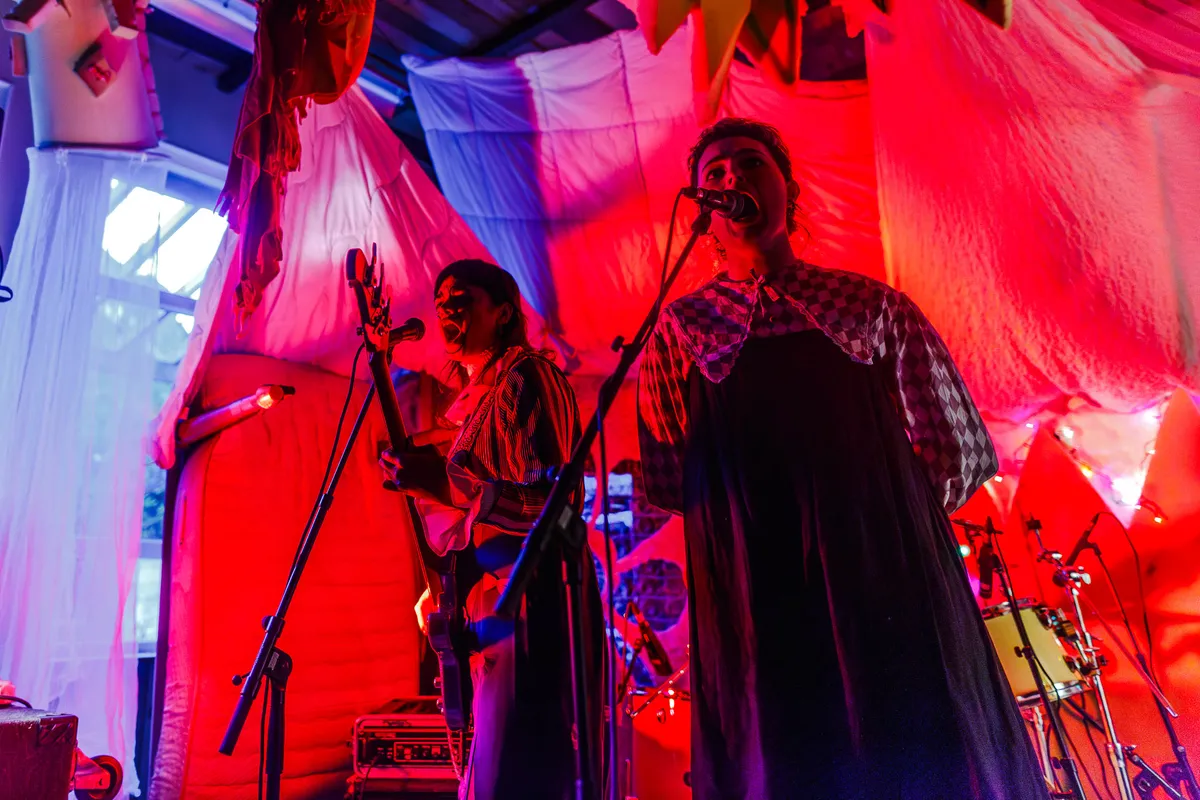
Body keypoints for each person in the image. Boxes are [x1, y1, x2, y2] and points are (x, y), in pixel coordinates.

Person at [637, 119, 1050, 800]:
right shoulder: (680, 330)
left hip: (880, 571)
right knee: (784, 745)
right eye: (715, 173)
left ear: (788, 190)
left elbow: (955, 444)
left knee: (905, 734)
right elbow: (669, 469)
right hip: (753, 579)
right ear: (703, 210)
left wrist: (880, 521)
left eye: (751, 163)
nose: (733, 177)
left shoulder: (871, 306)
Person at [379, 259, 605, 800]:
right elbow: (476, 518)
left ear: (503, 313)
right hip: (496, 604)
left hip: (537, 599)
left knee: (525, 768)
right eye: (440, 303)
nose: (446, 311)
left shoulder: (528, 376)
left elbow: (558, 506)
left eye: (461, 300)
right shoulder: (476, 403)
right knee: (495, 769)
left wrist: (445, 483)